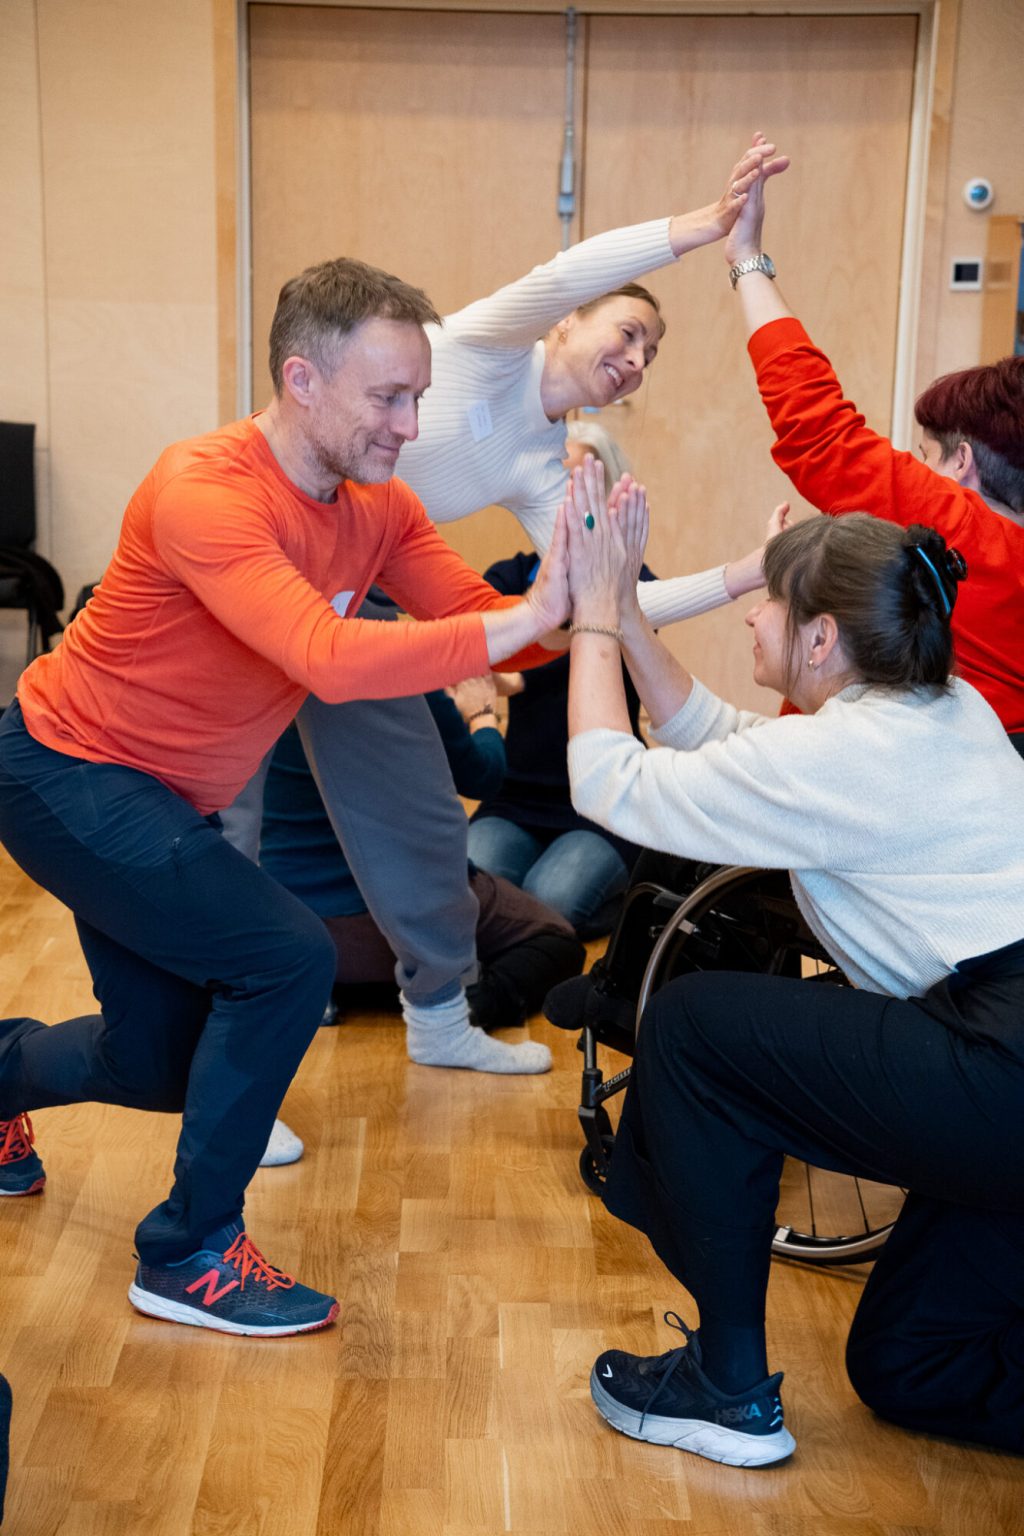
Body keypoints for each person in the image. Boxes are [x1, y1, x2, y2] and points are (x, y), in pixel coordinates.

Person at [0, 255, 572, 1337]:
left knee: (156, 1059)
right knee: (285, 954)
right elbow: (332, 656)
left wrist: (618, 596)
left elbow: (515, 633)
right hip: (64, 772)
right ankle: (190, 1253)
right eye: (388, 397)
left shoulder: (376, 508)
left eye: (419, 396)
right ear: (302, 380)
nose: (410, 425)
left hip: (166, 798)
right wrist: (534, 610)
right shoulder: (202, 489)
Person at [235, 140, 791, 1148]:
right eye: (626, 331)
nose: (634, 359)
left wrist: (742, 579)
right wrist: (702, 230)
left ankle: (441, 1019)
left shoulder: (546, 464)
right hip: (259, 586)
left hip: (357, 601)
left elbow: (609, 605)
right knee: (232, 843)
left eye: (651, 355)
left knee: (418, 830)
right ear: (569, 325)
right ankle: (234, 1097)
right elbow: (562, 272)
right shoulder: (486, 347)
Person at [559, 454, 1024, 1465]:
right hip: (1002, 1070)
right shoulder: (943, 713)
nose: (748, 618)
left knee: (694, 1028)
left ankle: (726, 1389)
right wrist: (633, 618)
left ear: (820, 636)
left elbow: (605, 782)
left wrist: (593, 617)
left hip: (1004, 1066)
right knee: (912, 1364)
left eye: (767, 601)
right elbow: (715, 742)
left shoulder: (845, 755)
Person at [725, 132, 1024, 749]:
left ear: (963, 463)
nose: (917, 473)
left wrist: (747, 259)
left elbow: (821, 432)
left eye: (926, 458)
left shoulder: (972, 540)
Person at [260, 720, 585, 1030]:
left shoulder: (270, 693)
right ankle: (467, 1003)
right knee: (557, 939)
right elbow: (482, 776)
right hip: (399, 908)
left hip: (297, 921)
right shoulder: (408, 690)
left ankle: (329, 987)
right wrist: (482, 714)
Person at [468, 426, 656, 936]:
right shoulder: (506, 580)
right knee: (461, 900)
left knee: (547, 904)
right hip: (516, 795)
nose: (565, 501)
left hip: (602, 803)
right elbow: (482, 663)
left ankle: (634, 902)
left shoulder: (638, 586)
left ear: (611, 495)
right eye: (555, 482)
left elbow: (520, 667)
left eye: (580, 484)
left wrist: (511, 677)